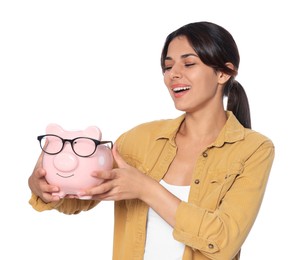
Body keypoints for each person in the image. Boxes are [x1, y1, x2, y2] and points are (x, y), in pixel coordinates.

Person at [28, 21, 275, 260]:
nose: (173, 75)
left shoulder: (254, 150)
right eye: (167, 67)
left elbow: (222, 243)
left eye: (189, 63)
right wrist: (46, 188)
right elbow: (82, 199)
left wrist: (145, 188)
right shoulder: (139, 139)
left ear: (223, 72)